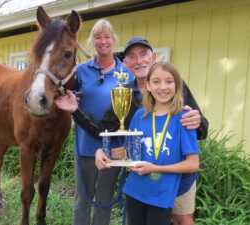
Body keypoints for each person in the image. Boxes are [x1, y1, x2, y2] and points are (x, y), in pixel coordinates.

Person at [55, 37, 208, 225]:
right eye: (132, 57)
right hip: (143, 181)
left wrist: (197, 121)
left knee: (183, 219)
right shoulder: (124, 95)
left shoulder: (174, 85)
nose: (139, 60)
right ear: (125, 64)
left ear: (153, 57)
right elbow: (106, 129)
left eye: (143, 54)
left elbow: (202, 129)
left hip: (179, 175)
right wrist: (76, 112)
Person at [114, 61, 199, 225]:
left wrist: (156, 168)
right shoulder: (139, 116)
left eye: (169, 81)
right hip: (135, 190)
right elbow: (128, 152)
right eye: (156, 81)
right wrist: (104, 153)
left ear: (177, 85)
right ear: (148, 86)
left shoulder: (184, 118)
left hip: (162, 193)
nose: (163, 87)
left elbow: (193, 164)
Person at [67, 19, 134, 225]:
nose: (102, 41)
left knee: (104, 200)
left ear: (114, 40)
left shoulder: (126, 74)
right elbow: (71, 97)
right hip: (86, 146)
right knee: (82, 199)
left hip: (112, 149)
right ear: (92, 41)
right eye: (98, 37)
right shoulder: (82, 71)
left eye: (107, 36)